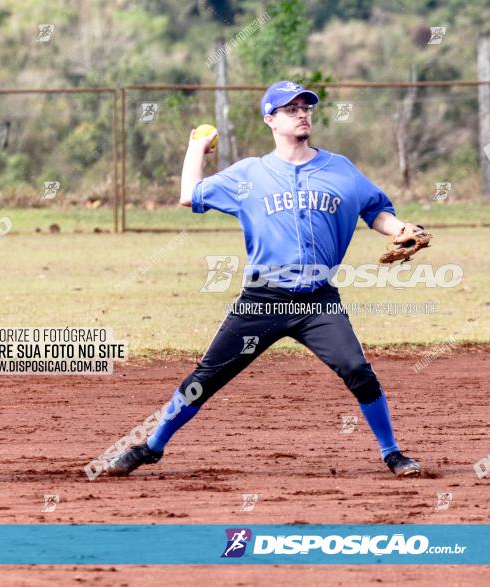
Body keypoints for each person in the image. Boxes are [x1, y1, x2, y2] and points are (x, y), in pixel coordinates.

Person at [106, 81, 421, 478]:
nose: (302, 113)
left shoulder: (340, 168)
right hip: (262, 300)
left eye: (306, 106)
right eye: (291, 109)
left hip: (317, 303)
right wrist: (196, 149)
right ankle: (151, 447)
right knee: (206, 378)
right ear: (270, 120)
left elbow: (375, 210)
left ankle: (392, 453)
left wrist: (399, 229)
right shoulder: (249, 174)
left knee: (358, 370)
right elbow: (190, 195)